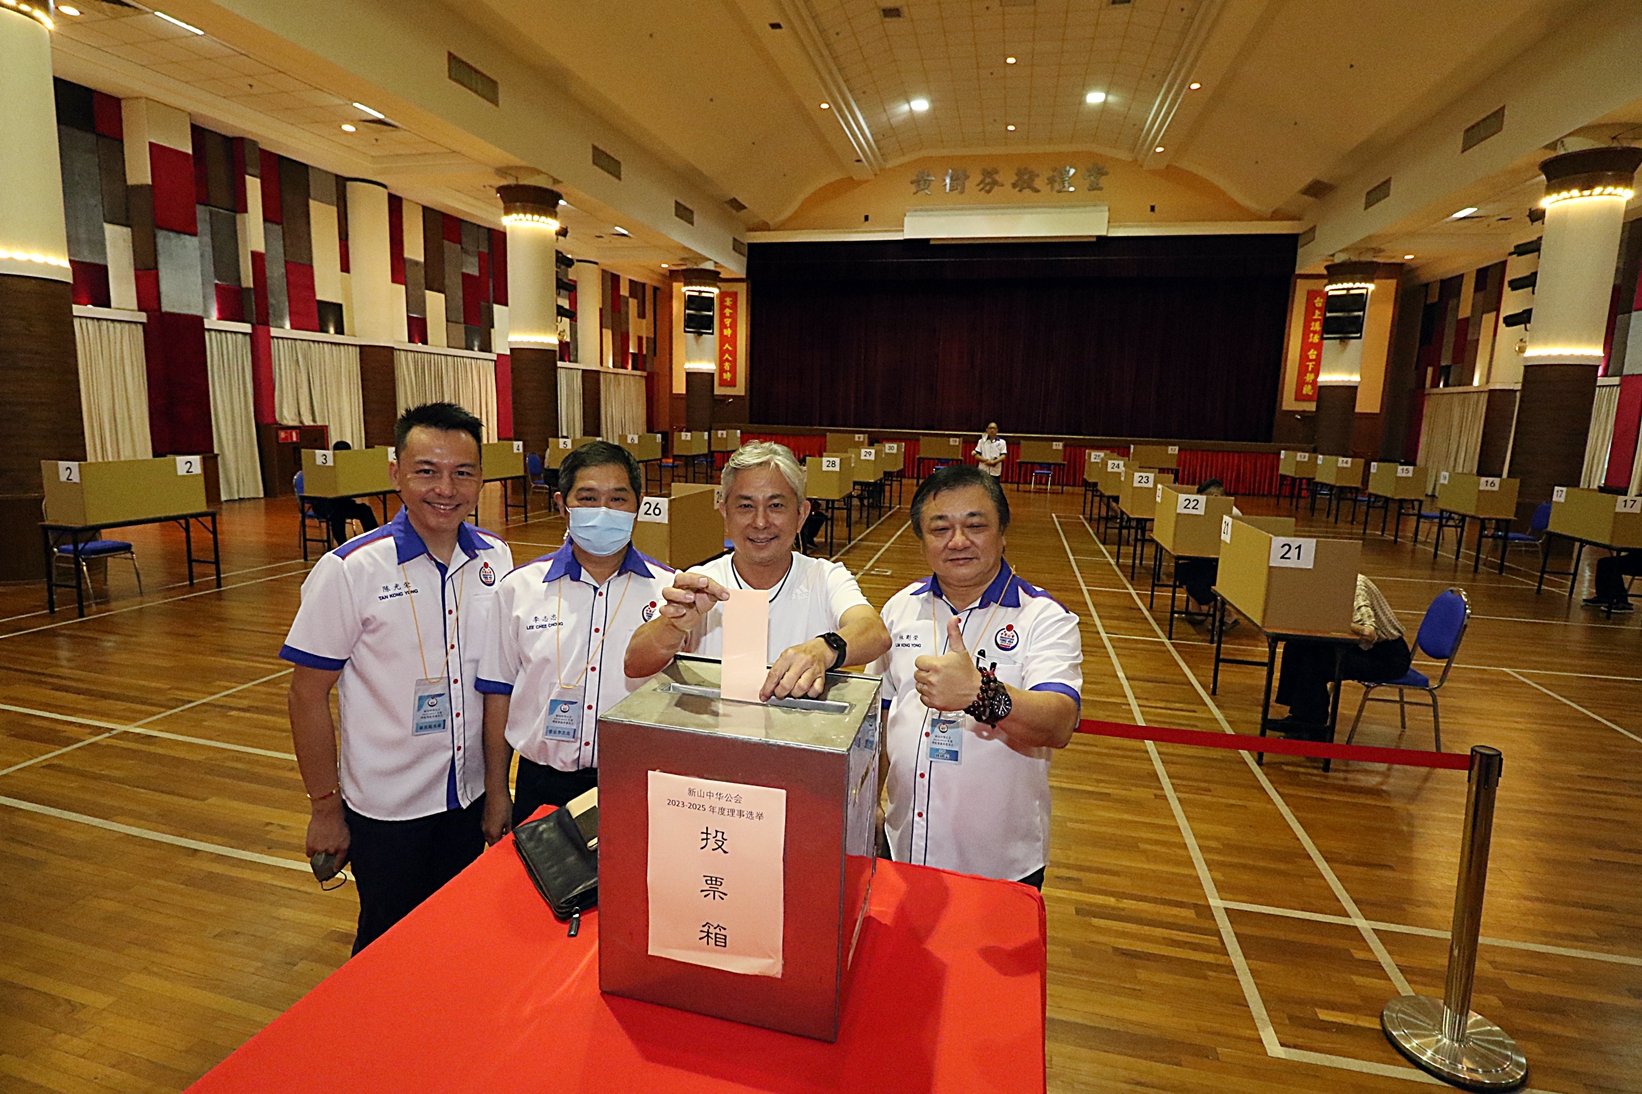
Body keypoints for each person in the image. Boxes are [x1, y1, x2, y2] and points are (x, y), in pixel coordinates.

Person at [280, 402, 512, 953]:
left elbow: (497, 683)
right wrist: (323, 808)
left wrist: (497, 790)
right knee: (386, 943)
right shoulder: (350, 570)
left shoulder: (495, 560)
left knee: (453, 934)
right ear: (395, 474)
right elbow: (306, 695)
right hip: (388, 808)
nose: (445, 489)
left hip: (467, 794)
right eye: (426, 471)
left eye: (463, 472)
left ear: (481, 478)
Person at [871, 464, 1083, 887]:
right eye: (940, 528)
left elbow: (1059, 722)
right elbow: (881, 719)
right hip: (902, 845)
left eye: (975, 525)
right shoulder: (900, 609)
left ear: (1002, 533)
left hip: (999, 865)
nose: (959, 541)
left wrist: (979, 693)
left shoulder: (1043, 618)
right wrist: (866, 807)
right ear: (922, 540)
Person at [476, 441, 673, 844]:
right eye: (588, 498)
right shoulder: (519, 589)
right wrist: (496, 792)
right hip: (541, 785)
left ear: (639, 505)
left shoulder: (671, 593)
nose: (603, 511)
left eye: (618, 499)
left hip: (634, 785)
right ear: (562, 503)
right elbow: (498, 694)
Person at [625, 440, 890, 700]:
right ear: (725, 514)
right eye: (745, 506)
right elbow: (635, 664)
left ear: (801, 514)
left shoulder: (826, 577)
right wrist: (674, 627)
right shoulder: (701, 583)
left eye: (776, 506)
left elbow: (873, 631)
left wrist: (824, 648)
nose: (761, 522)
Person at [1271, 574, 1410, 740]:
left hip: (1385, 657)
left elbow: (1369, 633)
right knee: (1296, 646)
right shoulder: (1327, 585)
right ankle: (1299, 716)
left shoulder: (1355, 587)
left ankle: (1314, 727)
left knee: (1315, 662)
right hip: (1360, 649)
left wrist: (1334, 621)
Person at [1176, 479, 1239, 628]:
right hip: (1206, 557)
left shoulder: (1233, 514)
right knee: (1182, 569)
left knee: (1197, 584)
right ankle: (1196, 612)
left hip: (1223, 562)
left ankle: (1228, 614)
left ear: (1216, 497)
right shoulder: (1208, 511)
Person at [308, 440, 381, 546]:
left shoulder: (348, 468)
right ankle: (343, 546)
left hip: (342, 502)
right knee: (337, 514)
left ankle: (374, 541)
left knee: (365, 510)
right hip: (324, 504)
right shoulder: (323, 468)